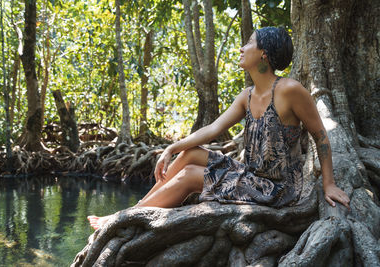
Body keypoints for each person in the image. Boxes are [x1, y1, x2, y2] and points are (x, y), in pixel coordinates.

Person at [88, 27, 350, 230]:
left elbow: (320, 136)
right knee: (189, 155)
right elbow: (213, 129)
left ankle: (120, 219)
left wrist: (329, 184)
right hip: (251, 174)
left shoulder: (289, 90)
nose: (242, 47)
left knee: (191, 175)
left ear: (264, 54)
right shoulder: (246, 96)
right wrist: (171, 147)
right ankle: (136, 209)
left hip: (277, 190)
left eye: (249, 42)